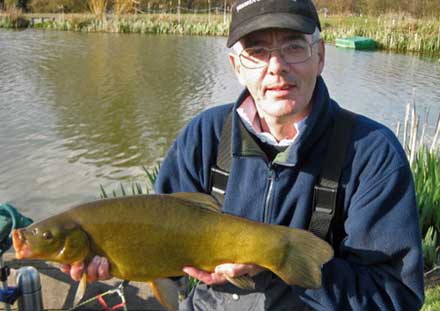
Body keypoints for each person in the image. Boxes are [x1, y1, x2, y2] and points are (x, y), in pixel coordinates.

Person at [61, 0, 425, 309]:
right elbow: (168, 260)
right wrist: (117, 257)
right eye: (257, 51)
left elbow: (396, 295)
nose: (276, 66)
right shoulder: (203, 136)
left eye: (294, 47)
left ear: (320, 56)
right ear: (236, 67)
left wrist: (277, 263)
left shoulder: (372, 152)